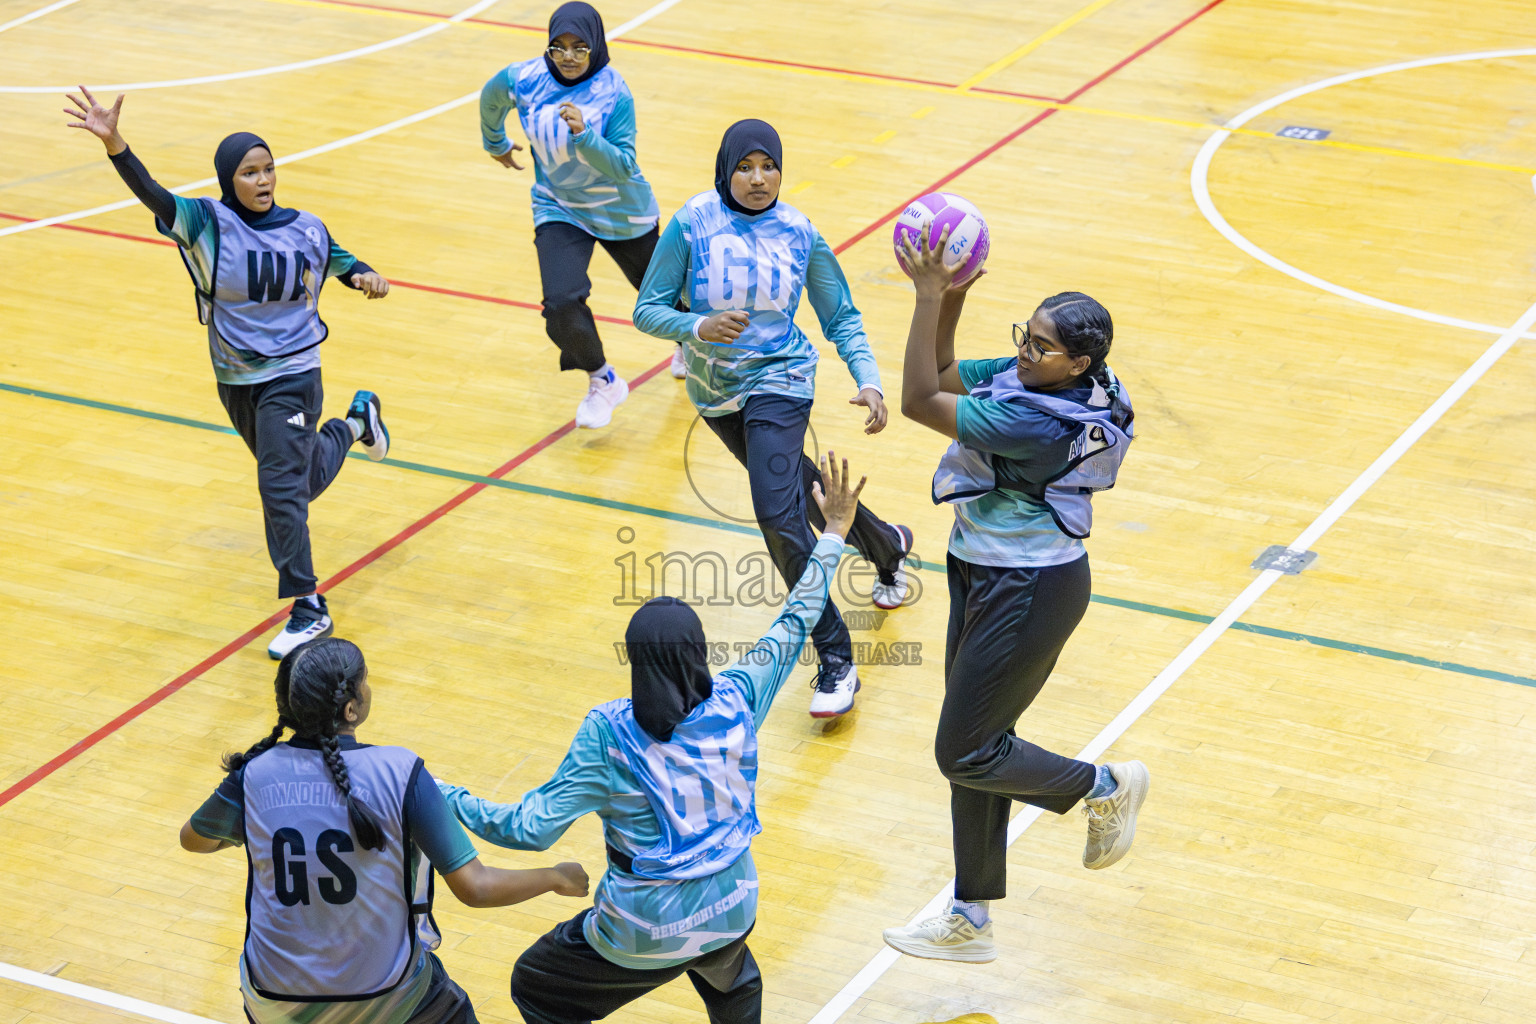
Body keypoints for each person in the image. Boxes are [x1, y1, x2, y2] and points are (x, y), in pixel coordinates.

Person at [437, 454, 867, 1024]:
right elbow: (795, 618)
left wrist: (441, 794)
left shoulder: (608, 733)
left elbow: (528, 830)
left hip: (643, 927)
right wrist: (835, 531)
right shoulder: (737, 697)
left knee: (536, 984)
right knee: (731, 972)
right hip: (735, 904)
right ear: (698, 653)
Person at [880, 224, 1149, 963]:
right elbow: (946, 368)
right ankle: (969, 918)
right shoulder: (1060, 378)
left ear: (1079, 363)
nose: (1024, 353)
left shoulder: (1035, 417)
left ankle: (1103, 786)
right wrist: (955, 297)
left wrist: (926, 294)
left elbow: (917, 396)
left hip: (1028, 589)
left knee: (963, 751)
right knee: (981, 747)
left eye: (1039, 346)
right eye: (1024, 338)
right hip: (981, 569)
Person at [66, 87, 393, 659]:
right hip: (235, 379)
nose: (264, 180)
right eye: (250, 172)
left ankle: (308, 605)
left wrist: (365, 274)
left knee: (279, 488)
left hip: (295, 374)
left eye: (269, 169)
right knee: (299, 483)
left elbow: (342, 260)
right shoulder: (205, 223)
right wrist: (114, 143)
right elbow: (154, 196)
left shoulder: (307, 227)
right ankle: (356, 424)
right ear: (228, 180)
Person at [632, 118, 914, 718]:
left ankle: (836, 660)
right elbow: (647, 310)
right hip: (716, 393)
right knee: (801, 491)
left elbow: (841, 315)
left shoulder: (799, 232)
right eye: (745, 167)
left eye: (769, 166)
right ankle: (886, 546)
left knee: (776, 514)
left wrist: (868, 380)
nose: (758, 179)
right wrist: (695, 327)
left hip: (782, 380)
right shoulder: (691, 223)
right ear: (725, 169)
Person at [180, 637, 590, 1023]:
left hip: (273, 1000)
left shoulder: (254, 773)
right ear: (351, 709)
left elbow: (194, 839)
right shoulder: (400, 770)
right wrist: (555, 877)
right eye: (366, 681)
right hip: (383, 996)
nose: (369, 687)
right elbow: (475, 888)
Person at [479, 1, 673, 430]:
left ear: (596, 48)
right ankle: (603, 379)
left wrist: (585, 136)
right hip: (559, 206)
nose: (568, 57)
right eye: (558, 48)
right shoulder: (523, 78)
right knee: (561, 303)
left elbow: (623, 164)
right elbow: (492, 98)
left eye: (579, 48)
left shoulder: (614, 91)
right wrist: (494, 142)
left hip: (622, 211)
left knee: (662, 300)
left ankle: (687, 345)